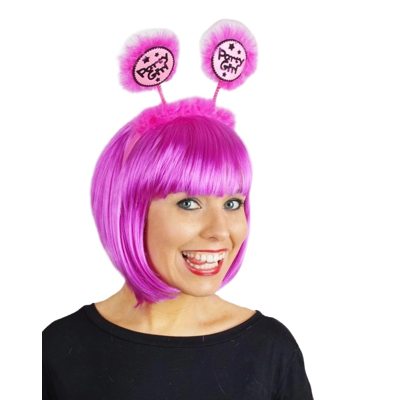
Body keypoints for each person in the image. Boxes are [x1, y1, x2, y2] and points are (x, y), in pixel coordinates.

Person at [42, 20, 314, 399]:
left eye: (232, 203)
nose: (220, 230)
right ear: (129, 211)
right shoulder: (58, 349)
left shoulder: (270, 351)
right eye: (189, 203)